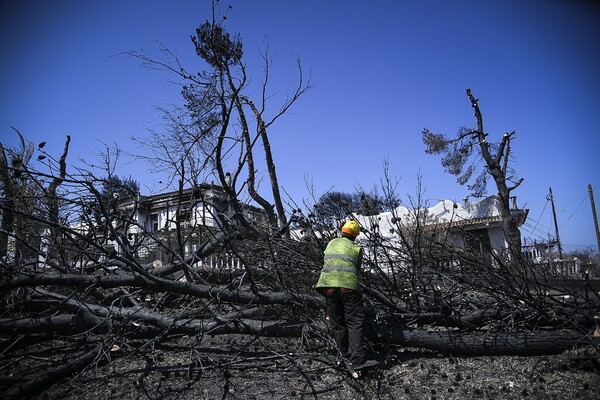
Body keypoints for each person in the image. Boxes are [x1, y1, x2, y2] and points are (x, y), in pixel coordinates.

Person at [315, 220, 377, 370]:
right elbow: (356, 269)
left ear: (342, 231)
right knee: (354, 322)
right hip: (348, 287)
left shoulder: (331, 243)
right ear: (355, 235)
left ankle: (342, 356)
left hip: (328, 286)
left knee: (337, 322)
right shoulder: (356, 248)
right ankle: (357, 360)